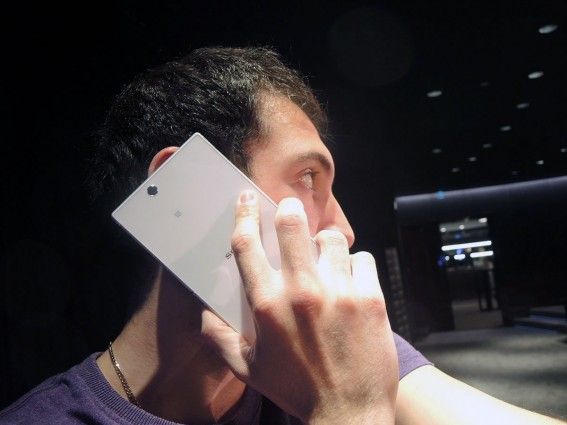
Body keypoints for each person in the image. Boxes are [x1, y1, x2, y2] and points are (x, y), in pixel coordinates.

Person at [0, 47, 563, 425]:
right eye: (308, 178)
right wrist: (349, 413)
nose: (344, 229)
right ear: (184, 196)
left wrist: (350, 399)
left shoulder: (325, 353)